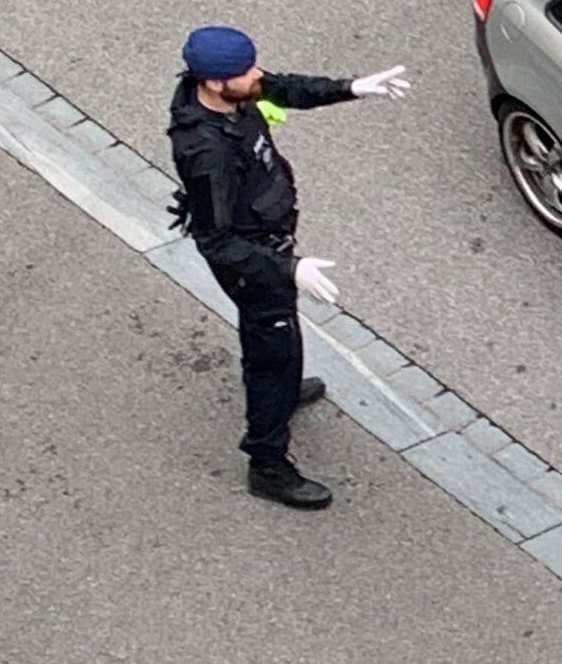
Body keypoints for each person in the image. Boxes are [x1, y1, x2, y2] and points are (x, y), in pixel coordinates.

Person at [167, 25, 409, 510]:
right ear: (214, 83)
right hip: (255, 262)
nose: (258, 75)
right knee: (271, 350)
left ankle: (283, 384)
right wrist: (288, 268)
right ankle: (267, 462)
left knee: (281, 341)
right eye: (245, 71)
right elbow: (216, 241)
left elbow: (284, 87)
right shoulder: (206, 151)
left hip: (270, 245)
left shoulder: (232, 92)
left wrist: (351, 88)